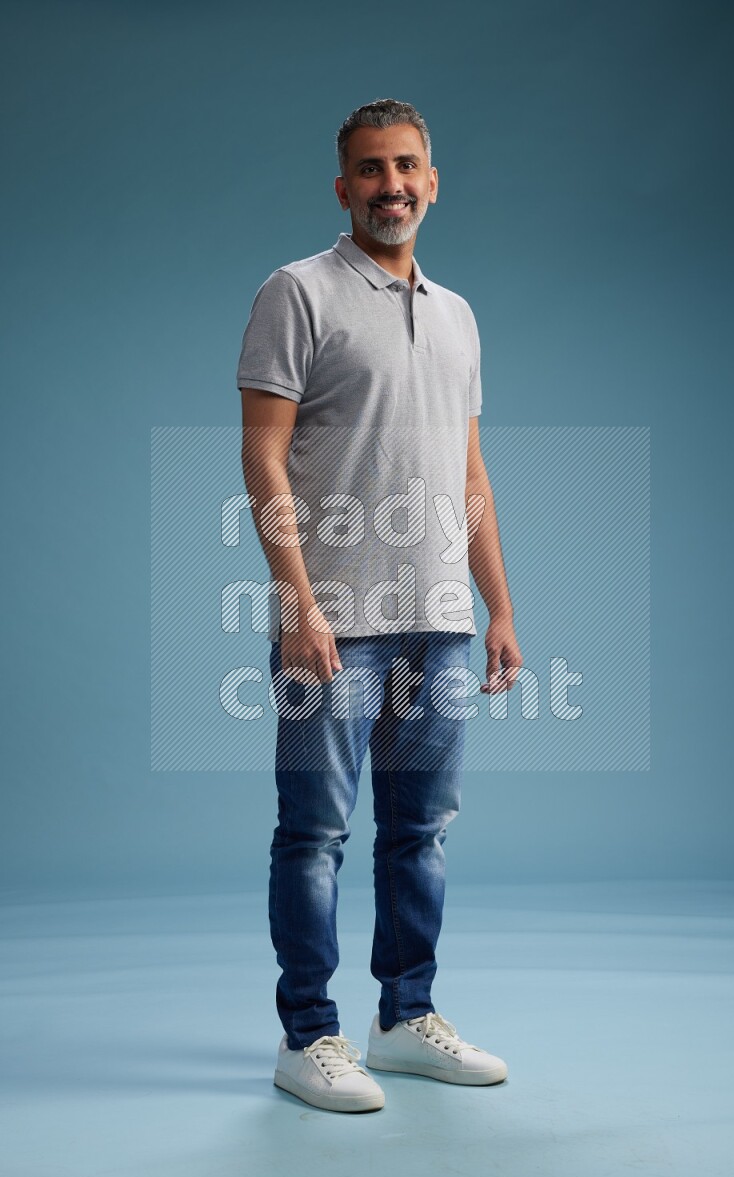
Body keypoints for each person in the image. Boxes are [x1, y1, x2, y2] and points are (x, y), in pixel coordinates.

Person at [237, 98, 523, 1113]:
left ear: (431, 181)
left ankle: (403, 1018)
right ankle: (307, 1034)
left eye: (406, 166)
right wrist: (296, 600)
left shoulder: (456, 312)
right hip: (334, 621)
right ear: (342, 186)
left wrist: (495, 607)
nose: (389, 184)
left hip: (439, 616)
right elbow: (263, 453)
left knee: (422, 827)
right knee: (314, 831)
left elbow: (469, 470)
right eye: (369, 169)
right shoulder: (297, 292)